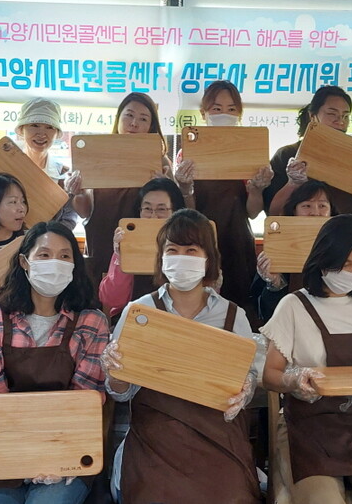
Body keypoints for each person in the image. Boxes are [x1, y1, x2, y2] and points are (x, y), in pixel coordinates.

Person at [102, 208, 261, 504]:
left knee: (232, 495)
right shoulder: (139, 313)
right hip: (155, 434)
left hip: (217, 434)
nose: (181, 257)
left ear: (208, 258)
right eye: (173, 250)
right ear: (161, 258)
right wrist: (115, 372)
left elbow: (245, 379)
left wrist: (244, 391)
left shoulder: (232, 315)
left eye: (191, 250)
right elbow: (120, 394)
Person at [258, 214, 352, 504]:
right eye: (344, 264)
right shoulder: (293, 306)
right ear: (323, 259)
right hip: (309, 428)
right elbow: (270, 375)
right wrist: (294, 381)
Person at [0, 221, 110, 504]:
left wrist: (52, 454)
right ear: (24, 262)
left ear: (74, 265)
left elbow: (84, 403)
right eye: (44, 254)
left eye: (64, 256)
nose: (55, 262)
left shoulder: (92, 323)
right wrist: (27, 454)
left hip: (66, 450)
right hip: (1, 449)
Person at [174, 80, 273, 317]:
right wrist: (185, 188)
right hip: (199, 239)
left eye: (231, 109)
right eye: (216, 108)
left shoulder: (248, 152)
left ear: (239, 114)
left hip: (237, 240)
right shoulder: (187, 153)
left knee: (237, 309)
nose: (224, 114)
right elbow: (188, 211)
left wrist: (257, 189)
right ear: (204, 113)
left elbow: (252, 212)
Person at [66, 92, 172, 287]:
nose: (134, 123)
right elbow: (84, 211)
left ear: (151, 126)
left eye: (143, 119)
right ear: (118, 118)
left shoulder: (159, 160)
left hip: (146, 253)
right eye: (129, 115)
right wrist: (77, 192)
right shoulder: (98, 155)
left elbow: (173, 211)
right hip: (103, 248)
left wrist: (165, 186)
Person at [261, 85, 352, 219]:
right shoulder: (287, 154)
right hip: (297, 231)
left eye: (345, 116)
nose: (340, 121)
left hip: (345, 230)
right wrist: (293, 183)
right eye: (331, 114)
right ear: (313, 116)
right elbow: (272, 212)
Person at [249, 179, 336, 323]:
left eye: (322, 206)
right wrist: (275, 283)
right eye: (306, 206)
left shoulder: (342, 244)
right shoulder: (277, 245)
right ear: (294, 211)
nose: (315, 212)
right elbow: (267, 313)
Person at [97, 177, 186, 318]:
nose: (153, 216)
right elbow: (111, 299)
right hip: (134, 320)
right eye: (147, 209)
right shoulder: (128, 242)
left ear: (176, 212)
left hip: (178, 320)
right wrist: (121, 256)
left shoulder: (187, 245)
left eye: (161, 209)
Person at [15, 97, 78, 230]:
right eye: (34, 125)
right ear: (21, 129)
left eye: (49, 127)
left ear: (57, 133)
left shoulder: (64, 175)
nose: (42, 134)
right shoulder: (6, 167)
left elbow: (69, 219)